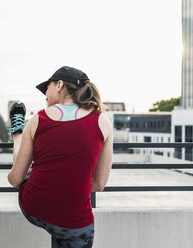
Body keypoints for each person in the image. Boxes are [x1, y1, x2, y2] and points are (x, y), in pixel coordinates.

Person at [7, 66, 113, 248]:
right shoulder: (102, 121)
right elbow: (99, 185)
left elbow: (15, 179)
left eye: (46, 88)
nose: (45, 95)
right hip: (75, 221)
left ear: (59, 85)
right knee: (69, 228)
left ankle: (17, 134)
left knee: (28, 168)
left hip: (34, 208)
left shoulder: (38, 119)